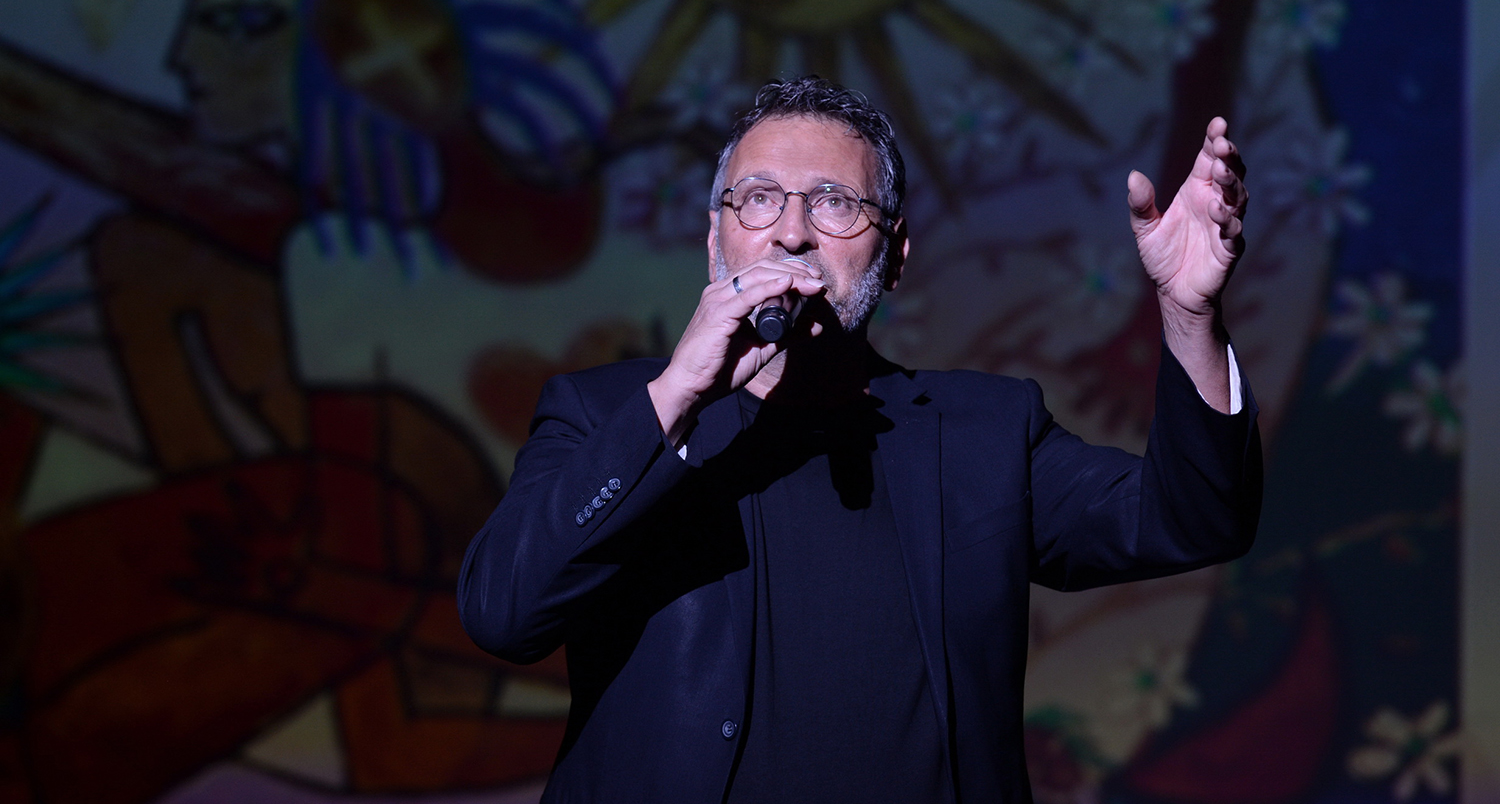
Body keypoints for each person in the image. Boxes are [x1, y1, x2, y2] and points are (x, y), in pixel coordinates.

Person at [459, 76, 1261, 803]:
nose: (792, 234)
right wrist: (673, 399)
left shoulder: (985, 433)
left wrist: (1188, 315)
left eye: (835, 203)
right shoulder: (608, 415)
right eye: (759, 199)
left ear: (895, 255)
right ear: (715, 240)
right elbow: (502, 615)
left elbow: (1192, 519)